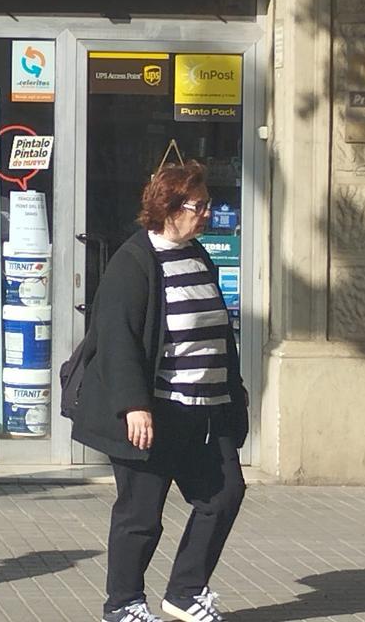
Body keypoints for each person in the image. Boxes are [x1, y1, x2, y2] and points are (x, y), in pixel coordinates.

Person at [71, 160, 248, 622]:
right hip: (155, 413)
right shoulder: (134, 262)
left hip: (205, 410)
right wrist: (134, 406)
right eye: (198, 206)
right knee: (141, 515)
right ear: (168, 207)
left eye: (207, 205)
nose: (206, 214)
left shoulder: (197, 254)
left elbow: (219, 334)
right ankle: (123, 604)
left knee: (224, 494)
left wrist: (234, 394)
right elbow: (117, 341)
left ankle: (186, 592)